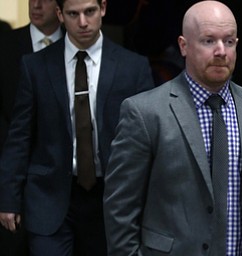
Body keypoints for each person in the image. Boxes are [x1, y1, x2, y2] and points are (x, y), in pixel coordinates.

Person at [104, 1, 242, 256]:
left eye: (229, 41)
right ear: (183, 46)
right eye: (209, 41)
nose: (221, 51)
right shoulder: (145, 113)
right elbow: (120, 209)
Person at [0, 0, 154, 255]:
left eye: (89, 12)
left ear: (103, 8)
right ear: (60, 14)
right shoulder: (36, 65)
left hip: (111, 196)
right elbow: (20, 137)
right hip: (50, 194)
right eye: (73, 14)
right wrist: (8, 197)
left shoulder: (133, 67)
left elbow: (148, 139)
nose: (83, 22)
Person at [0, 1, 63, 255]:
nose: (36, 5)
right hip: (10, 175)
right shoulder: (4, 44)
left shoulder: (77, 46)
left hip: (63, 185)